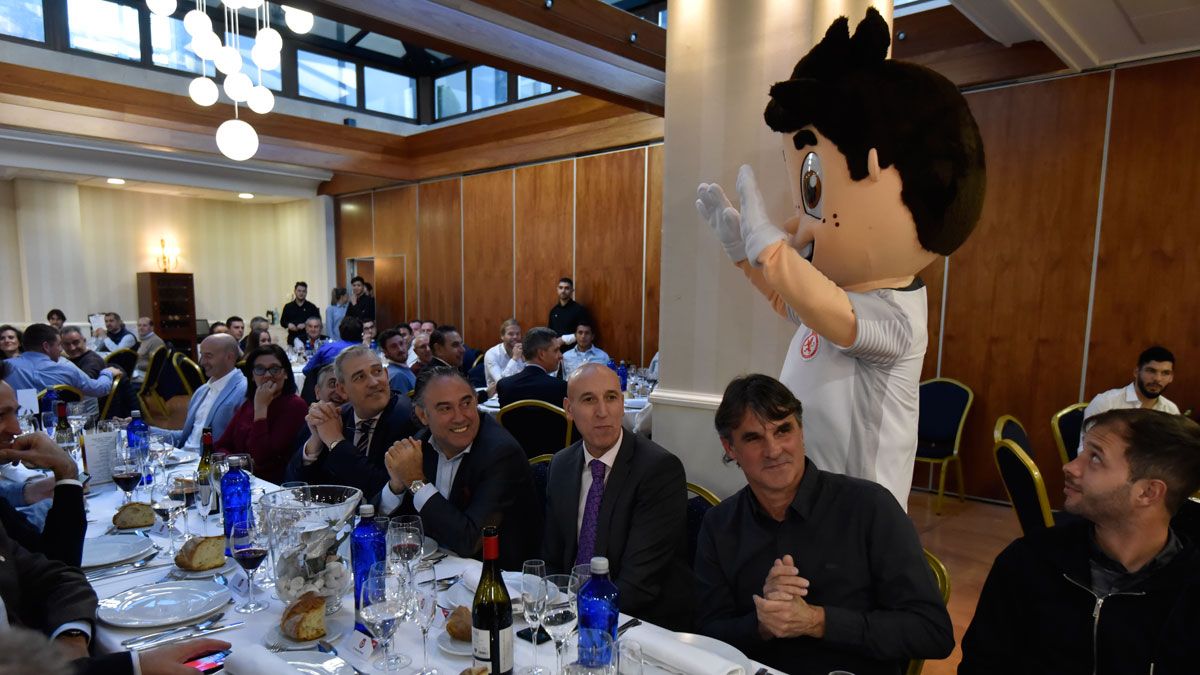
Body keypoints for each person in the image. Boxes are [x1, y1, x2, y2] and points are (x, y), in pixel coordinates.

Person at [696, 8, 985, 510]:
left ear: (874, 166)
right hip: (805, 499)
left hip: (860, 511)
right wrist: (745, 256)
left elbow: (833, 316)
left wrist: (770, 251)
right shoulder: (833, 298)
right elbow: (795, 304)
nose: (800, 224)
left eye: (814, 195)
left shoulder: (898, 318)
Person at [695, 374, 953, 674]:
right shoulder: (719, 524)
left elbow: (933, 632)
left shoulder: (870, 508)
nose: (774, 450)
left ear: (801, 432)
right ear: (730, 447)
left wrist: (817, 621)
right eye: (754, 438)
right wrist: (762, 624)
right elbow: (707, 634)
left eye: (783, 431)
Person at [960, 409, 1200, 674]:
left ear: (1147, 492)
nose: (1071, 466)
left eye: (1095, 458)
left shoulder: (1189, 589)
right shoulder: (1028, 563)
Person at [543, 363, 692, 629]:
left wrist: (584, 621)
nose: (603, 412)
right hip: (569, 614)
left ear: (622, 403)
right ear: (568, 409)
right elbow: (553, 558)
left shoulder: (658, 470)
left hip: (635, 623)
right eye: (589, 400)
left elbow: (639, 582)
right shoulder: (562, 464)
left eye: (611, 398)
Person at [376, 366, 541, 569]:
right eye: (445, 408)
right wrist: (396, 486)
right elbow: (383, 523)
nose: (460, 417)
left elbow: (469, 541)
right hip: (438, 570)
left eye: (466, 403)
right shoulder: (422, 444)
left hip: (496, 578)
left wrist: (416, 482)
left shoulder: (501, 453)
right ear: (423, 415)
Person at [287, 345, 418, 500]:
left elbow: (379, 491)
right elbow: (293, 484)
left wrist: (336, 442)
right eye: (359, 377)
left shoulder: (407, 417)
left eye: (377, 371)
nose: (374, 382)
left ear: (386, 375)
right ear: (342, 389)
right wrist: (316, 441)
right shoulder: (339, 416)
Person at [216, 344, 307, 484]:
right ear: (252, 376)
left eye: (275, 369)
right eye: (260, 369)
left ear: (286, 373)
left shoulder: (295, 406)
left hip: (271, 486)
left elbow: (261, 457)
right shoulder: (249, 403)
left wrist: (261, 410)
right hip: (240, 478)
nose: (268, 375)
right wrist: (238, 462)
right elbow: (222, 445)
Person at [152, 334, 247, 449]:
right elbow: (189, 438)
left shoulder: (243, 391)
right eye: (202, 355)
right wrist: (144, 429)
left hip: (209, 463)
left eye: (208, 356)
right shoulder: (202, 391)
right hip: (185, 459)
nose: (202, 362)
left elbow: (239, 445)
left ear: (229, 357)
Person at [4, 324, 119, 400]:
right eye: (59, 345)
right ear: (46, 346)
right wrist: (107, 372)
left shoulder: (4, 368)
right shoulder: (65, 369)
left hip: (14, 431)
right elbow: (99, 389)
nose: (61, 350)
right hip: (57, 430)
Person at [1083, 346, 1180, 423]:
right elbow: (1086, 446)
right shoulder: (1106, 403)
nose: (1157, 379)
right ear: (1136, 372)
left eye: (1165, 373)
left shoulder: (1171, 411)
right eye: (1151, 371)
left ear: (1171, 378)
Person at [496, 327, 566, 407]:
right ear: (541, 354)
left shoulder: (504, 386)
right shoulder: (560, 388)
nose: (561, 356)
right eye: (556, 350)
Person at [484, 319, 523, 392]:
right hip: (497, 397)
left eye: (518, 334)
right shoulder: (492, 354)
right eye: (511, 334)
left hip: (520, 394)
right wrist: (514, 359)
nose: (515, 337)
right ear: (502, 336)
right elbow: (502, 383)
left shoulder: (523, 351)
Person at [548, 277, 589, 344]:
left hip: (574, 351)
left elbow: (584, 333)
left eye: (566, 288)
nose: (563, 291)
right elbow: (550, 333)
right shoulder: (553, 311)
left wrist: (563, 339)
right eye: (561, 288)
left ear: (572, 290)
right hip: (556, 351)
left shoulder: (579, 310)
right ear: (557, 289)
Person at [281, 281, 322, 346]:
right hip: (292, 338)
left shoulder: (312, 307)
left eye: (303, 291)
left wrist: (306, 324)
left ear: (306, 292)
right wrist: (288, 324)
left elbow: (319, 322)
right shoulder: (288, 306)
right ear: (295, 291)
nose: (301, 293)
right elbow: (282, 321)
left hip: (308, 339)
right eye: (299, 291)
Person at [380, 329, 416, 393]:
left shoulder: (402, 369)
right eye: (394, 346)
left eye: (401, 343)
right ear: (385, 352)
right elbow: (404, 402)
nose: (400, 349)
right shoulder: (397, 376)